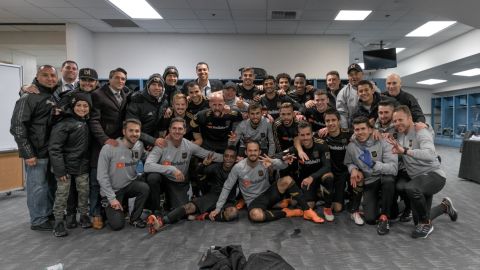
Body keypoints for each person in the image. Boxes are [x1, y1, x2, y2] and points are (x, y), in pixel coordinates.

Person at [209, 140, 325, 223]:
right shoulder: (238, 167)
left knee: (287, 180)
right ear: (246, 152)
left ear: (259, 152)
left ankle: (307, 211)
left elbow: (282, 166)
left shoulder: (263, 161)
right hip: (254, 201)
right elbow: (227, 187)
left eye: (255, 150)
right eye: (250, 151)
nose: (253, 153)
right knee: (255, 215)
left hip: (269, 194)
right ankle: (286, 212)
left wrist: (276, 162)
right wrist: (218, 208)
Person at [387, 106, 458, 238]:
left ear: (410, 118)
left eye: (400, 120)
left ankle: (426, 224)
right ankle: (445, 206)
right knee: (416, 221)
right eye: (395, 121)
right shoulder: (399, 133)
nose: (397, 123)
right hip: (418, 179)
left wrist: (405, 151)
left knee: (411, 188)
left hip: (434, 175)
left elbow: (431, 154)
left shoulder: (421, 131)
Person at [146, 146, 239, 234]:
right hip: (212, 197)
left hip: (228, 200)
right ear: (223, 157)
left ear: (235, 159)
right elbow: (198, 172)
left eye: (232, 157)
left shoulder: (238, 169)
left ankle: (204, 216)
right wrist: (203, 164)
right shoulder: (216, 167)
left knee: (233, 213)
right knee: (188, 207)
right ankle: (161, 222)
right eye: (226, 156)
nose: (228, 159)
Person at [10, 65, 59, 231]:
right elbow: (17, 126)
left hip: (51, 151)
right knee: (37, 187)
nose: (50, 78)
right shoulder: (28, 97)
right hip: (36, 152)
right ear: (37, 77)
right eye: (45, 75)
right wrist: (28, 153)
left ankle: (48, 214)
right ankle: (38, 219)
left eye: (53, 75)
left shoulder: (53, 95)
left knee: (50, 186)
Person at [144, 117, 224, 213]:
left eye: (180, 129)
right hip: (163, 179)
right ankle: (155, 208)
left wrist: (229, 158)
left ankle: (169, 201)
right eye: (174, 128)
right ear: (169, 129)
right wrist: (172, 169)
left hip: (178, 182)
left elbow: (208, 154)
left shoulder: (189, 145)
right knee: (153, 177)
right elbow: (147, 166)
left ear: (185, 131)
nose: (177, 131)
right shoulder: (162, 144)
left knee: (182, 211)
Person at [89, 67, 131, 229]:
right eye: (118, 78)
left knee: (119, 177)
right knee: (96, 181)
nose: (121, 81)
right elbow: (94, 121)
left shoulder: (125, 94)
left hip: (119, 145)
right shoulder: (98, 94)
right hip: (102, 145)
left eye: (123, 79)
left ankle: (118, 209)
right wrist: (105, 140)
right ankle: (96, 214)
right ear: (110, 79)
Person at [344, 116, 398, 234]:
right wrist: (353, 169)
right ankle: (383, 204)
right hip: (370, 181)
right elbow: (349, 162)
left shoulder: (384, 141)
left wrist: (373, 164)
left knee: (389, 181)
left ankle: (385, 217)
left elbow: (393, 169)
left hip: (384, 178)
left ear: (370, 129)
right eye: (357, 130)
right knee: (370, 219)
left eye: (363, 128)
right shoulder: (351, 146)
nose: (360, 132)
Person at [49, 93, 92, 237]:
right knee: (62, 195)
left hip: (82, 166)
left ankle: (84, 215)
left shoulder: (87, 122)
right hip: (64, 167)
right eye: (78, 105)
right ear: (72, 106)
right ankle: (59, 221)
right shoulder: (63, 123)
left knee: (84, 192)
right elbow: (54, 148)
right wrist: (60, 170)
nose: (82, 108)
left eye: (85, 106)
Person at [97, 119, 150, 231]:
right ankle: (106, 206)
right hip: (113, 191)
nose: (134, 134)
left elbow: (146, 157)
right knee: (117, 225)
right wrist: (112, 199)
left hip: (128, 185)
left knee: (144, 187)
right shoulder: (109, 148)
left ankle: (134, 218)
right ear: (124, 131)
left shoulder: (139, 145)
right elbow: (101, 177)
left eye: (137, 131)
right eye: (131, 130)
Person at [283, 122, 335, 221]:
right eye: (302, 135)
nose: (305, 137)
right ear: (298, 136)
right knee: (308, 206)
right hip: (307, 181)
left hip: (318, 176)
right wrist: (272, 160)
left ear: (312, 134)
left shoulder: (321, 144)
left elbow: (327, 166)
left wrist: (312, 177)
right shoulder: (296, 148)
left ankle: (327, 208)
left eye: (308, 134)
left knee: (329, 177)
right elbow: (282, 154)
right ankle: (318, 194)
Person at [126, 73, 170, 148]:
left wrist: (166, 118)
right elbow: (131, 128)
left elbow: (159, 126)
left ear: (163, 88)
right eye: (154, 84)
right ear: (148, 86)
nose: (157, 87)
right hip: (136, 140)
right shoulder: (137, 101)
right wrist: (152, 141)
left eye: (160, 85)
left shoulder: (164, 102)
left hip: (154, 141)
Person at [323, 108, 352, 213]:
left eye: (333, 120)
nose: (330, 123)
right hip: (329, 173)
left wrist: (375, 131)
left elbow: (365, 132)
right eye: (327, 121)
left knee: (337, 208)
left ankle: (344, 193)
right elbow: (300, 138)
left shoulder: (349, 133)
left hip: (343, 173)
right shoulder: (321, 135)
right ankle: (321, 192)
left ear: (339, 121)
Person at [336, 63, 365, 129]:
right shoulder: (343, 93)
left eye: (356, 74)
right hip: (352, 128)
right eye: (351, 75)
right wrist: (346, 131)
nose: (354, 77)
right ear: (348, 77)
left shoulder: (372, 88)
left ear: (362, 74)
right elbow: (342, 114)